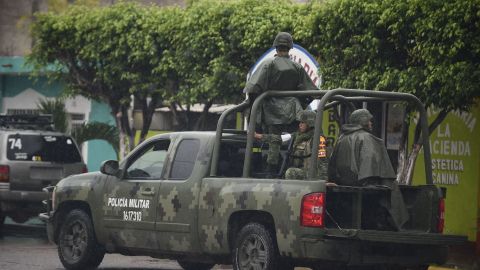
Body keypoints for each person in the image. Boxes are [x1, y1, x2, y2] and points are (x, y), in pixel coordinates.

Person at [244, 32, 318, 174]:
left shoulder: (268, 64)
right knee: (296, 138)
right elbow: (311, 92)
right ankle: (289, 165)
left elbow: (252, 88)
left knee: (274, 141)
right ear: (290, 48)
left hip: (270, 111)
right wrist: (300, 104)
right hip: (293, 111)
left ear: (276, 47)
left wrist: (255, 108)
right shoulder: (297, 67)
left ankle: (271, 171)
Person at [328, 109, 409, 230]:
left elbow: (332, 168)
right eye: (369, 120)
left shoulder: (341, 139)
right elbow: (371, 171)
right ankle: (399, 226)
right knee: (391, 189)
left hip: (344, 193)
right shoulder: (367, 139)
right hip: (366, 194)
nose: (371, 123)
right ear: (362, 121)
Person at [254, 110, 328, 180]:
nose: (300, 125)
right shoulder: (297, 136)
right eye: (300, 122)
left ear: (310, 123)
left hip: (312, 174)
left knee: (290, 172)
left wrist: (323, 181)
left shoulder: (318, 139)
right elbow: (279, 138)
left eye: (303, 122)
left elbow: (323, 161)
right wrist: (259, 136)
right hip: (299, 171)